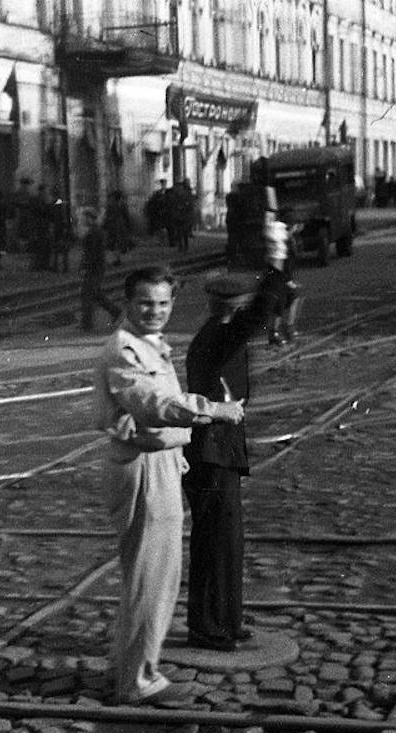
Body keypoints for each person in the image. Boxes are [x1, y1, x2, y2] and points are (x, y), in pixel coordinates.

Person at [94, 267, 244, 705]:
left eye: (162, 303)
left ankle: (128, 667)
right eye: (145, 302)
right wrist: (214, 409)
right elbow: (154, 403)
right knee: (152, 578)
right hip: (141, 466)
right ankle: (137, 682)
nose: (154, 311)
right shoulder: (125, 349)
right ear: (127, 303)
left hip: (159, 463)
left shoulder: (150, 345)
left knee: (151, 575)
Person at [181, 228, 288, 653]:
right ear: (234, 306)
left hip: (219, 447)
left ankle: (225, 621)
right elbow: (258, 316)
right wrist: (276, 267)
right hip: (211, 450)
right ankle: (209, 627)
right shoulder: (220, 334)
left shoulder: (215, 331)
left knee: (227, 541)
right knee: (216, 542)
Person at [78, 208, 121, 331]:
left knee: (87, 294)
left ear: (91, 218)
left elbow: (92, 253)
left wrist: (86, 266)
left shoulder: (95, 233)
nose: (83, 220)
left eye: (85, 217)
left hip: (94, 267)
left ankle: (86, 323)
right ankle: (115, 311)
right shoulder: (94, 232)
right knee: (95, 294)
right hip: (96, 267)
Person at [103, 190, 133, 267]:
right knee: (118, 244)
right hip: (119, 226)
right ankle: (117, 260)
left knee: (112, 244)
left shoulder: (110, 205)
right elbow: (127, 217)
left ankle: (115, 260)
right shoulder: (122, 205)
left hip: (114, 226)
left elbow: (107, 217)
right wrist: (129, 227)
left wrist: (105, 225)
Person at [145, 179, 169, 246]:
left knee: (164, 228)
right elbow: (154, 203)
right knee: (160, 228)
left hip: (165, 213)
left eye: (164, 184)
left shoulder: (168, 192)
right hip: (159, 213)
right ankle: (161, 241)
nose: (163, 185)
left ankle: (164, 241)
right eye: (162, 184)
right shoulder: (157, 193)